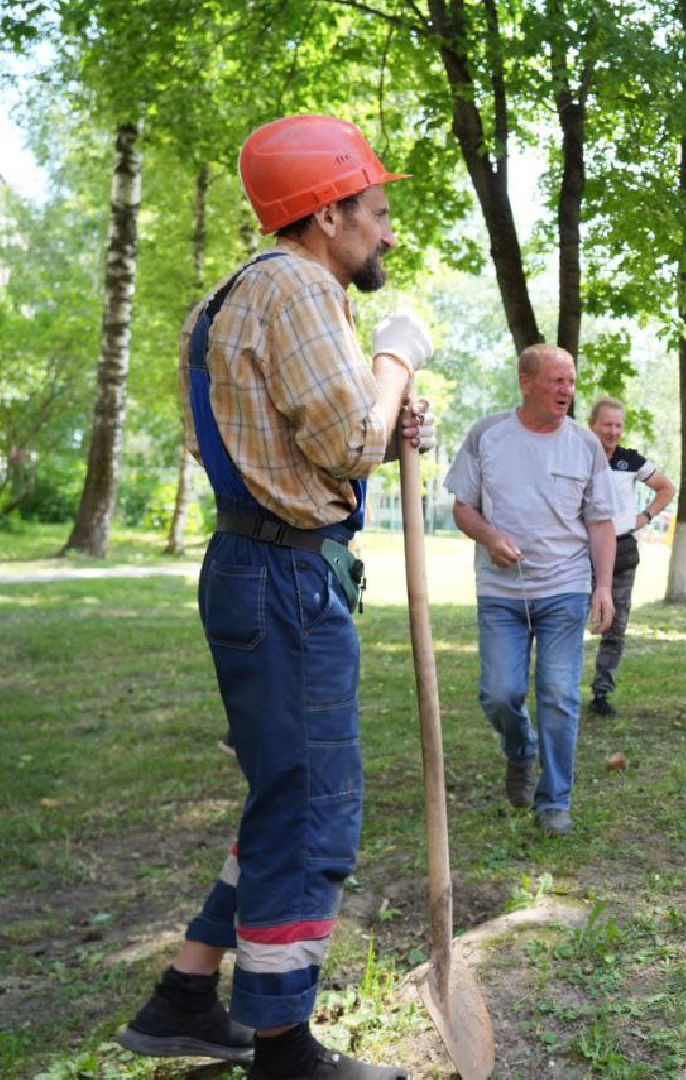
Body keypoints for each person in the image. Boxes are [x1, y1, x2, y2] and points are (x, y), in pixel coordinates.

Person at [116, 115, 434, 1080]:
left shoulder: (232, 294)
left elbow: (295, 434)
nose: (386, 232)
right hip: (287, 576)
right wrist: (395, 363)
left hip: (259, 567)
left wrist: (385, 407)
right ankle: (282, 1046)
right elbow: (346, 445)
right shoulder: (297, 286)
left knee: (281, 797)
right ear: (326, 211)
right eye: (375, 212)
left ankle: (182, 996)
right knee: (312, 809)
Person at [446, 345, 616, 837]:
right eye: (557, 381)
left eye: (571, 381)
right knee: (500, 694)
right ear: (526, 382)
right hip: (501, 592)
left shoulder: (584, 445)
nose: (567, 390)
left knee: (560, 694)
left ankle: (555, 801)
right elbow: (463, 506)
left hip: (564, 587)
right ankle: (521, 751)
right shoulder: (488, 435)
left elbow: (601, 522)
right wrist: (490, 537)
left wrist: (603, 587)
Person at [585, 396, 675, 717]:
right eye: (606, 424)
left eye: (618, 426)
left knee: (615, 627)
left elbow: (666, 487)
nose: (612, 431)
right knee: (567, 622)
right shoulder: (578, 457)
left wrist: (645, 516)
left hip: (622, 551)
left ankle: (601, 693)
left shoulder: (630, 460)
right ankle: (562, 691)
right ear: (591, 425)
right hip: (580, 554)